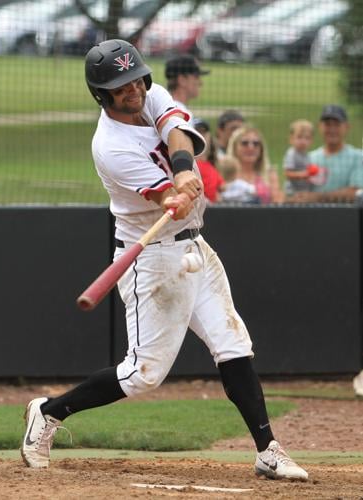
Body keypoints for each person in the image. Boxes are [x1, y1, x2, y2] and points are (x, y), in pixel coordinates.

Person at [21, 39, 308, 481]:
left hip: (194, 246)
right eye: (119, 86)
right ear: (102, 94)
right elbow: (161, 196)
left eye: (134, 78)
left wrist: (184, 168)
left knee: (233, 344)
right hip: (152, 260)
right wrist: (174, 191)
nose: (132, 89)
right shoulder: (110, 147)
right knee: (143, 374)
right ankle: (49, 412)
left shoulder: (150, 94)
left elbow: (175, 129)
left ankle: (267, 449)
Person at [286, 105, 363, 203]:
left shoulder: (358, 157)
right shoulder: (310, 157)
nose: (332, 129)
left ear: (347, 127)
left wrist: (318, 197)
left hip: (346, 215)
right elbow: (295, 187)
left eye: (336, 124)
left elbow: (356, 192)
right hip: (313, 215)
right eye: (328, 124)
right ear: (320, 127)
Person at [227, 125, 284, 204]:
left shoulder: (270, 173)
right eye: (245, 143)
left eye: (256, 143)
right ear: (234, 147)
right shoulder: (225, 172)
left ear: (261, 149)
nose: (251, 147)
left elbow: (278, 202)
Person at [283, 119, 325, 196]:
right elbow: (287, 173)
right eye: (299, 137)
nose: (303, 141)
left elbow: (309, 172)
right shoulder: (291, 153)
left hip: (305, 192)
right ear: (291, 139)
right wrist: (304, 174)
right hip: (292, 193)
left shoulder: (307, 155)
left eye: (307, 138)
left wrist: (317, 174)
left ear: (311, 141)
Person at [165, 54, 210, 121]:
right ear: (182, 80)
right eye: (196, 77)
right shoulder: (182, 115)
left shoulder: (164, 107)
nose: (201, 83)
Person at [193, 117, 224, 203]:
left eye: (203, 131)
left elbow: (222, 188)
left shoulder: (214, 164)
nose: (200, 135)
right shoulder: (189, 164)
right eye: (196, 131)